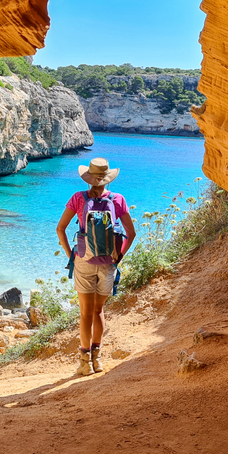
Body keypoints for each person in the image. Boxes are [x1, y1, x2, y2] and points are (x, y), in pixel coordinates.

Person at [56, 157, 136, 376]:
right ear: (107, 179)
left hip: (84, 260)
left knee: (85, 314)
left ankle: (84, 363)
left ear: (88, 179)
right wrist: (117, 257)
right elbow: (131, 234)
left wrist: (71, 256)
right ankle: (97, 359)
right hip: (108, 262)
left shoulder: (78, 198)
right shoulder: (117, 199)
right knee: (99, 311)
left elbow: (60, 229)